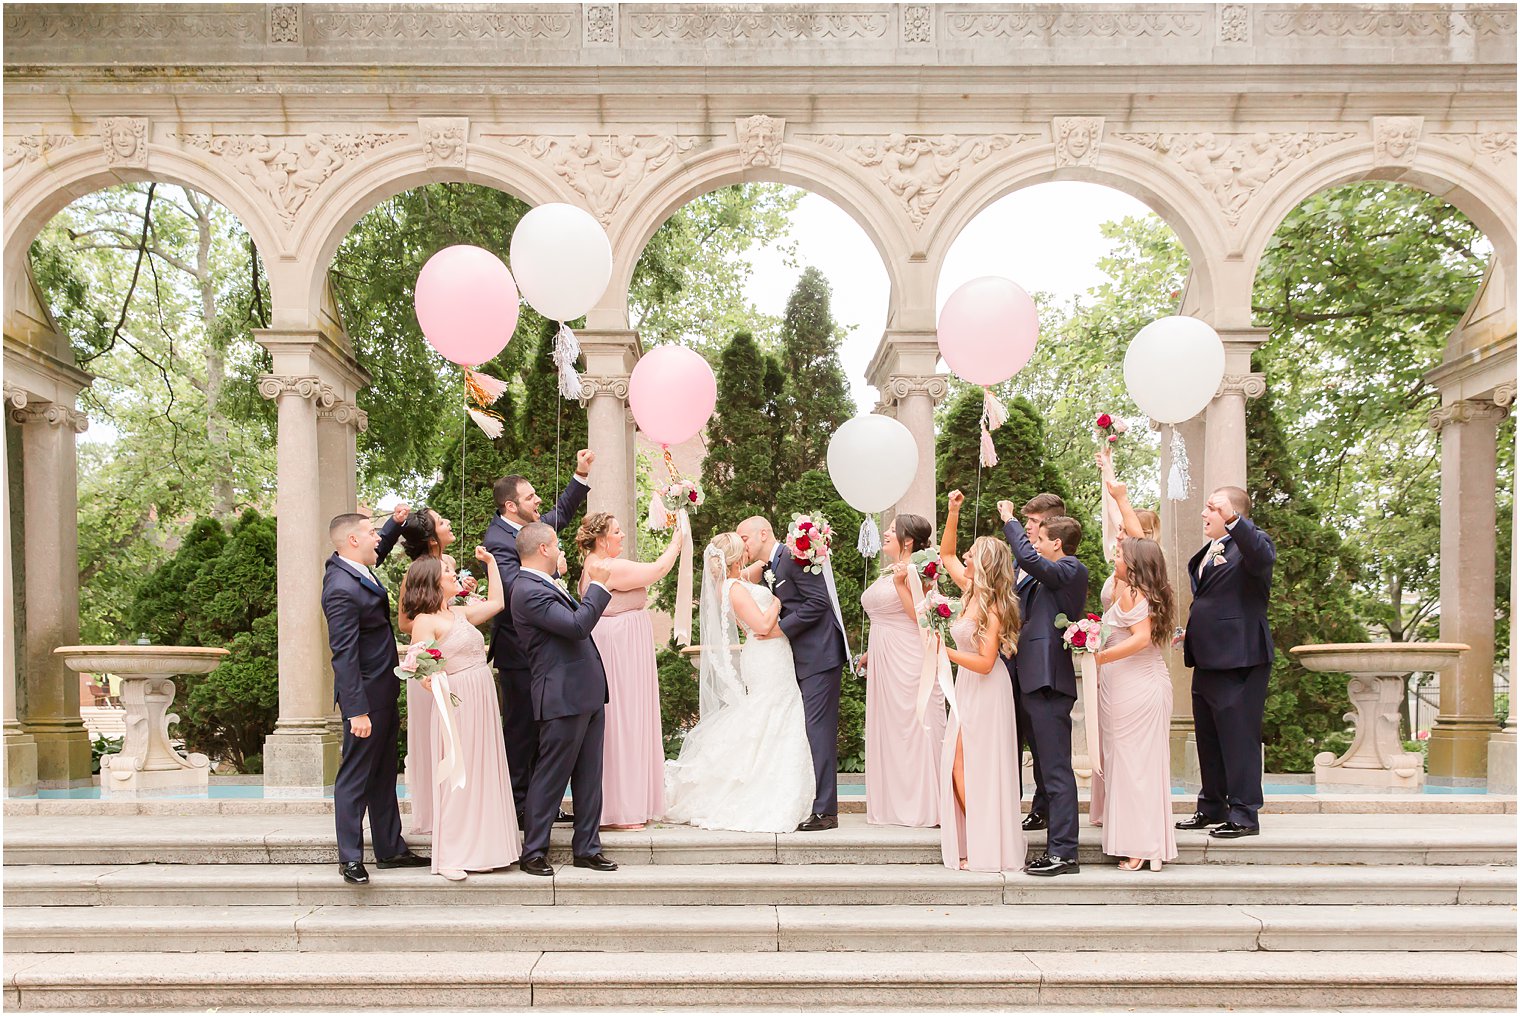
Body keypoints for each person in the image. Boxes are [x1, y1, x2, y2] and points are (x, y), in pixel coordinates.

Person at [663, 533, 816, 833]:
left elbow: (762, 564)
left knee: (775, 715)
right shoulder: (735, 588)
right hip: (767, 654)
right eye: (743, 546)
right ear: (736, 558)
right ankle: (765, 790)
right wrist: (776, 601)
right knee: (773, 715)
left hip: (769, 655)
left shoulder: (733, 582)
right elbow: (760, 626)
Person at [484, 450, 594, 824]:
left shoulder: (528, 531)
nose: (539, 501)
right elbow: (519, 590)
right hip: (519, 652)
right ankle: (519, 807)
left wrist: (580, 474)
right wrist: (555, 574)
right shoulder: (499, 539)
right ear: (512, 506)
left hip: (542, 655)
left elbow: (559, 516)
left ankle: (537, 805)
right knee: (521, 730)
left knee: (540, 729)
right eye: (531, 497)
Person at [322, 513, 428, 885]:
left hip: (383, 690)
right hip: (364, 698)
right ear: (352, 541)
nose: (377, 540)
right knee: (355, 777)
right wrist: (357, 711)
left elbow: (377, 549)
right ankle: (350, 858)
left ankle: (390, 849)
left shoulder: (356, 568)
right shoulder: (339, 587)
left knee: (383, 774)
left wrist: (394, 524)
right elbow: (344, 654)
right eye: (370, 534)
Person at [401, 547, 518, 880]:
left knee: (483, 771)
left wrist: (493, 563)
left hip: (482, 698)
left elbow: (497, 602)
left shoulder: (459, 613)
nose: (454, 574)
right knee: (458, 777)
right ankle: (452, 855)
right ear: (433, 582)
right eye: (447, 571)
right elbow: (419, 668)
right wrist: (437, 684)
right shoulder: (425, 621)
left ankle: (488, 849)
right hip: (458, 702)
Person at [510, 521, 618, 876]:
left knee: (590, 776)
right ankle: (533, 852)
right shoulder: (527, 590)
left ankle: (587, 848)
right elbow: (576, 626)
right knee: (550, 776)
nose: (561, 550)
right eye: (556, 545)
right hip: (561, 696)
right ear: (543, 549)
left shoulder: (545, 584)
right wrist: (600, 585)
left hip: (584, 693)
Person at [737, 515, 850, 831]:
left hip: (820, 657)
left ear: (763, 533)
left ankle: (826, 811)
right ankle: (813, 802)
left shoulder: (794, 555)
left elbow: (818, 603)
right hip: (798, 660)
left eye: (745, 537)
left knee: (819, 732)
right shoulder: (771, 566)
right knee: (805, 732)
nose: (743, 543)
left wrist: (780, 631)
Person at [996, 499, 1089, 877]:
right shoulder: (1041, 572)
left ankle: (1064, 853)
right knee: (1042, 769)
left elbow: (1031, 561)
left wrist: (1010, 521)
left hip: (1049, 678)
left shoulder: (1070, 568)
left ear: (1057, 543)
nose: (1035, 544)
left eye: (1041, 538)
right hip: (1027, 677)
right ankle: (1048, 840)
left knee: (1055, 770)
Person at [1177, 487, 1276, 839]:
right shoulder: (1210, 550)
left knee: (1238, 737)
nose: (1205, 514)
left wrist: (1235, 521)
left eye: (1212, 508)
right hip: (1206, 657)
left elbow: (1261, 558)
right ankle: (1212, 806)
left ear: (1233, 513)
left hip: (1240, 659)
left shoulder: (1254, 543)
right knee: (1209, 737)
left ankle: (1245, 813)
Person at [576, 511, 684, 830]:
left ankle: (627, 804)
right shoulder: (609, 567)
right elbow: (658, 569)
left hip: (622, 646)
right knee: (623, 722)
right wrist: (677, 540)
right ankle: (620, 811)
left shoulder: (596, 565)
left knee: (626, 721)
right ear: (601, 539)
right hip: (618, 651)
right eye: (617, 531)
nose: (622, 536)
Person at [937, 491, 1025, 872]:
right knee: (957, 764)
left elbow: (987, 662)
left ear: (985, 563)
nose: (966, 558)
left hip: (987, 689)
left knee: (973, 765)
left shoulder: (993, 604)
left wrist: (943, 653)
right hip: (966, 688)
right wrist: (953, 512)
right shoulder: (969, 590)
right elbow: (946, 556)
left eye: (973, 554)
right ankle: (980, 836)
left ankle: (986, 840)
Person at [1093, 537, 1178, 871]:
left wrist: (1099, 657)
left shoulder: (1133, 593)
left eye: (1119, 555)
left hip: (1135, 688)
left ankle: (1140, 847)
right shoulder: (1150, 591)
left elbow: (1141, 639)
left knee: (1134, 767)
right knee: (1138, 766)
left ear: (1134, 563)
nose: (1115, 558)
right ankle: (1143, 841)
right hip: (1143, 683)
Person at [393, 503, 476, 838]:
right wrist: (441, 619)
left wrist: (459, 603)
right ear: (431, 539)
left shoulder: (450, 567)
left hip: (457, 667)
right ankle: (435, 813)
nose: (449, 523)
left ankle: (464, 809)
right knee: (435, 741)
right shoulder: (416, 572)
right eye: (443, 522)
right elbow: (404, 622)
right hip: (430, 668)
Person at [860, 513, 945, 828]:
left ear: (908, 541)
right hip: (886, 657)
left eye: (893, 530)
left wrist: (901, 583)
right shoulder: (890, 571)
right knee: (892, 728)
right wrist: (872, 651)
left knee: (915, 724)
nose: (885, 533)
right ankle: (896, 804)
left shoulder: (920, 569)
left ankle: (925, 805)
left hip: (909, 658)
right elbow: (888, 615)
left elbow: (922, 617)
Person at [1091, 448, 1161, 825]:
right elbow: (1119, 527)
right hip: (1114, 670)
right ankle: (1117, 820)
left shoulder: (1142, 571)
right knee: (1115, 749)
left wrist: (1120, 495)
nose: (1118, 536)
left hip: (1133, 670)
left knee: (1134, 755)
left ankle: (1138, 831)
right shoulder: (1122, 571)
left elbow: (1142, 636)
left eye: (1126, 532)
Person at [1005, 492, 1067, 834]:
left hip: (1040, 667)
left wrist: (1010, 522)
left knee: (1044, 746)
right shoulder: (1018, 564)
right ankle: (1006, 806)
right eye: (1025, 522)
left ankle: (1044, 807)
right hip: (1010, 663)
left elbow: (1031, 560)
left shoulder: (1059, 564)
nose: (1028, 528)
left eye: (1033, 522)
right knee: (1009, 739)